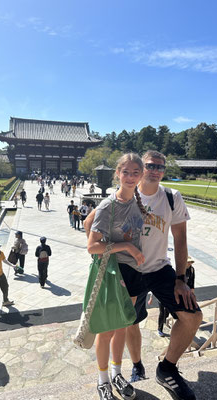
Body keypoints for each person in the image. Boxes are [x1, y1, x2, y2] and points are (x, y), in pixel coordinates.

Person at [85, 150, 202, 400]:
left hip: (159, 268)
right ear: (140, 170)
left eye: (161, 166)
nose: (156, 170)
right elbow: (89, 225)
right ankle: (132, 366)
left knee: (192, 316)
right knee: (125, 323)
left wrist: (182, 280)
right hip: (128, 270)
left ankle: (167, 368)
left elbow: (180, 240)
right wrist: (103, 260)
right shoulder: (125, 195)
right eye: (151, 165)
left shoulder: (171, 197)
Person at [88, 153, 146, 400]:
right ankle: (102, 381)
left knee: (123, 326)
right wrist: (127, 247)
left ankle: (116, 373)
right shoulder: (108, 206)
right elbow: (92, 246)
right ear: (118, 174)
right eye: (126, 172)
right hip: (113, 273)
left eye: (136, 172)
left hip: (134, 273)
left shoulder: (138, 200)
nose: (131, 177)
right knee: (106, 329)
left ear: (141, 175)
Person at [155, 255, 196, 337]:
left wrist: (192, 294)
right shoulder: (174, 272)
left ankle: (175, 328)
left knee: (172, 312)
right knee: (163, 313)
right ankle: (160, 328)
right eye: (188, 262)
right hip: (164, 295)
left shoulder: (191, 270)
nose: (190, 264)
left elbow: (191, 282)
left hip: (176, 294)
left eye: (190, 262)